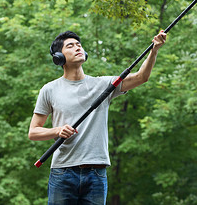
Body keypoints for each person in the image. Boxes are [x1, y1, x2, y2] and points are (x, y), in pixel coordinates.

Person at [28, 30, 167, 205]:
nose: (77, 47)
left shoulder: (104, 85)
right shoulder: (49, 90)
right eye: (70, 46)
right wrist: (57, 130)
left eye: (79, 45)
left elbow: (141, 77)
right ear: (58, 57)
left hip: (96, 172)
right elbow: (33, 132)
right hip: (62, 171)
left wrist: (154, 50)